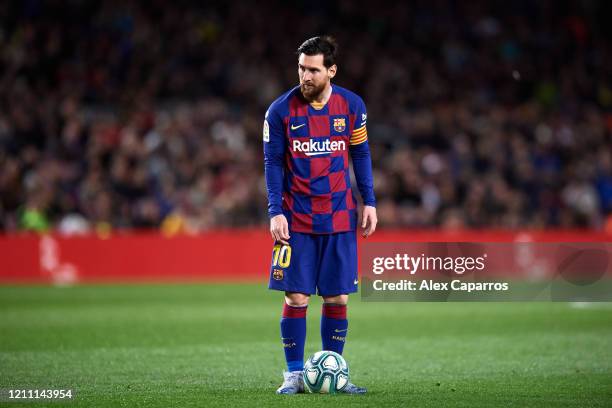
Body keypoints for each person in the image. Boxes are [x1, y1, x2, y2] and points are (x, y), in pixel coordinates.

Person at [263, 36, 377, 394]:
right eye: (301, 68)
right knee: (295, 297)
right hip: (296, 220)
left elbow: (360, 154)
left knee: (337, 298)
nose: (305, 76)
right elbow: (272, 164)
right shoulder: (279, 111)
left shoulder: (352, 106)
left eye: (313, 69)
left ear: (331, 71)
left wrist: (369, 200)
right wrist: (274, 211)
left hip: (340, 217)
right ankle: (294, 375)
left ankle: (336, 374)